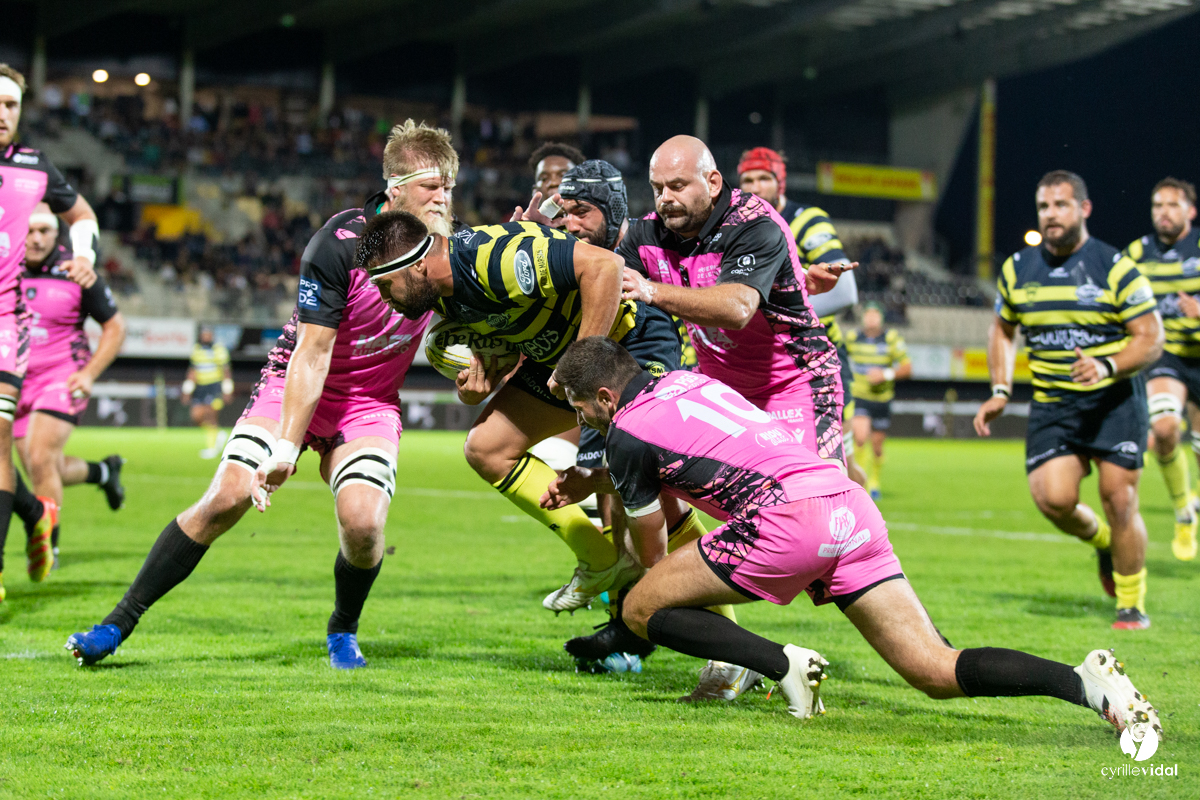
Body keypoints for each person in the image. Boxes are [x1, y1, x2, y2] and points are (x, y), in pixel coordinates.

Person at [544, 335, 1162, 741]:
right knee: (932, 668)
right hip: (847, 502)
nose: (581, 422)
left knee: (645, 602)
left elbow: (655, 557)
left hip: (785, 517)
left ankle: (777, 664)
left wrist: (629, 614)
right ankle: (1084, 684)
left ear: (604, 395)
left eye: (577, 408)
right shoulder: (686, 381)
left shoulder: (625, 432)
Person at [64, 119, 453, 668]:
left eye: (448, 187)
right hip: (294, 385)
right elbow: (312, 355)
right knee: (226, 497)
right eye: (429, 186)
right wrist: (286, 449)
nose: (442, 198)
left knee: (364, 525)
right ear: (394, 186)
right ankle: (117, 622)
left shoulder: (457, 253)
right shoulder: (338, 244)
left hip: (368, 402)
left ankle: (343, 629)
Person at [358, 204, 682, 615]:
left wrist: (578, 367)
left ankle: (725, 646)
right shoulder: (440, 299)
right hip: (562, 360)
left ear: (419, 265)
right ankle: (600, 560)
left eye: (387, 287)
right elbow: (511, 340)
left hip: (631, 338)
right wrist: (482, 385)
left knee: (655, 481)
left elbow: (605, 267)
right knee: (487, 447)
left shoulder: (494, 260)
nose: (387, 301)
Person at [614, 135, 849, 698]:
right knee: (678, 493)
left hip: (794, 382)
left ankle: (920, 640)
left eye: (678, 186)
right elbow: (596, 264)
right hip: (724, 391)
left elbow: (739, 308)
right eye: (657, 188)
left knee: (819, 531)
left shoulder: (754, 222)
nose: (665, 199)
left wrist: (651, 290)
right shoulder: (648, 234)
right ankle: (730, 651)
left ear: (713, 183)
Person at [974, 170, 1162, 630]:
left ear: (1084, 208)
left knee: (1119, 499)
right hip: (1054, 404)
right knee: (1054, 499)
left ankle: (1131, 606)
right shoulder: (1018, 269)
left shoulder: (1115, 267)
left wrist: (1107, 366)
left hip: (1113, 403)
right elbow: (1002, 328)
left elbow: (1150, 336)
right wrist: (1001, 388)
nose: (1051, 214)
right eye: (1044, 207)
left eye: (1060, 205)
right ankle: (1102, 541)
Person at [0, 64, 102, 602]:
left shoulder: (34, 167)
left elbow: (82, 215)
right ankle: (37, 511)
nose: (2, 113)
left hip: (10, 329)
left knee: (19, 453)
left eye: (11, 104)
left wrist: (84, 257)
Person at [736, 146, 864, 486]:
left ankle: (863, 534)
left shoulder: (807, 221)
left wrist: (773, 319)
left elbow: (845, 290)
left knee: (836, 469)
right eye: (747, 179)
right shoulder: (734, 228)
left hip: (815, 359)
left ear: (782, 184)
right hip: (763, 363)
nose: (755, 186)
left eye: (765, 178)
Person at [10, 204, 126, 570]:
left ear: (57, 232)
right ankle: (104, 472)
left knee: (41, 456)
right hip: (15, 380)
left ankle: (49, 548)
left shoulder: (77, 270)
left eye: (45, 230)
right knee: (39, 468)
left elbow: (115, 327)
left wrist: (90, 373)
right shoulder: (6, 266)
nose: (37, 237)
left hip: (62, 374)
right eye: (30, 230)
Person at [1122, 177, 1200, 561]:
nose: (1163, 213)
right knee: (1166, 426)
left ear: (1190, 211)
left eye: (1172, 205)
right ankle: (1185, 510)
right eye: (1157, 206)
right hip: (1167, 355)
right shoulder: (1137, 252)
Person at [845, 302, 911, 499]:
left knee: (877, 446)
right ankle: (860, 483)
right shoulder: (852, 338)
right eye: (868, 314)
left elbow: (907, 368)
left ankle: (875, 481)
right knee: (860, 437)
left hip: (882, 398)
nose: (871, 318)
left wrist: (885, 374)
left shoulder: (891, 339)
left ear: (881, 318)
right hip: (860, 397)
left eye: (875, 314)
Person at [183, 325, 232, 458]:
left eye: (208, 334)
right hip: (200, 388)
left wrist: (227, 390)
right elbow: (192, 371)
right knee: (196, 416)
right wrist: (187, 390)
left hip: (214, 386)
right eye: (204, 334)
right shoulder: (196, 350)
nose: (206, 336)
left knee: (210, 416)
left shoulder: (219, 349)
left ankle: (211, 447)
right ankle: (219, 434)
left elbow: (225, 371)